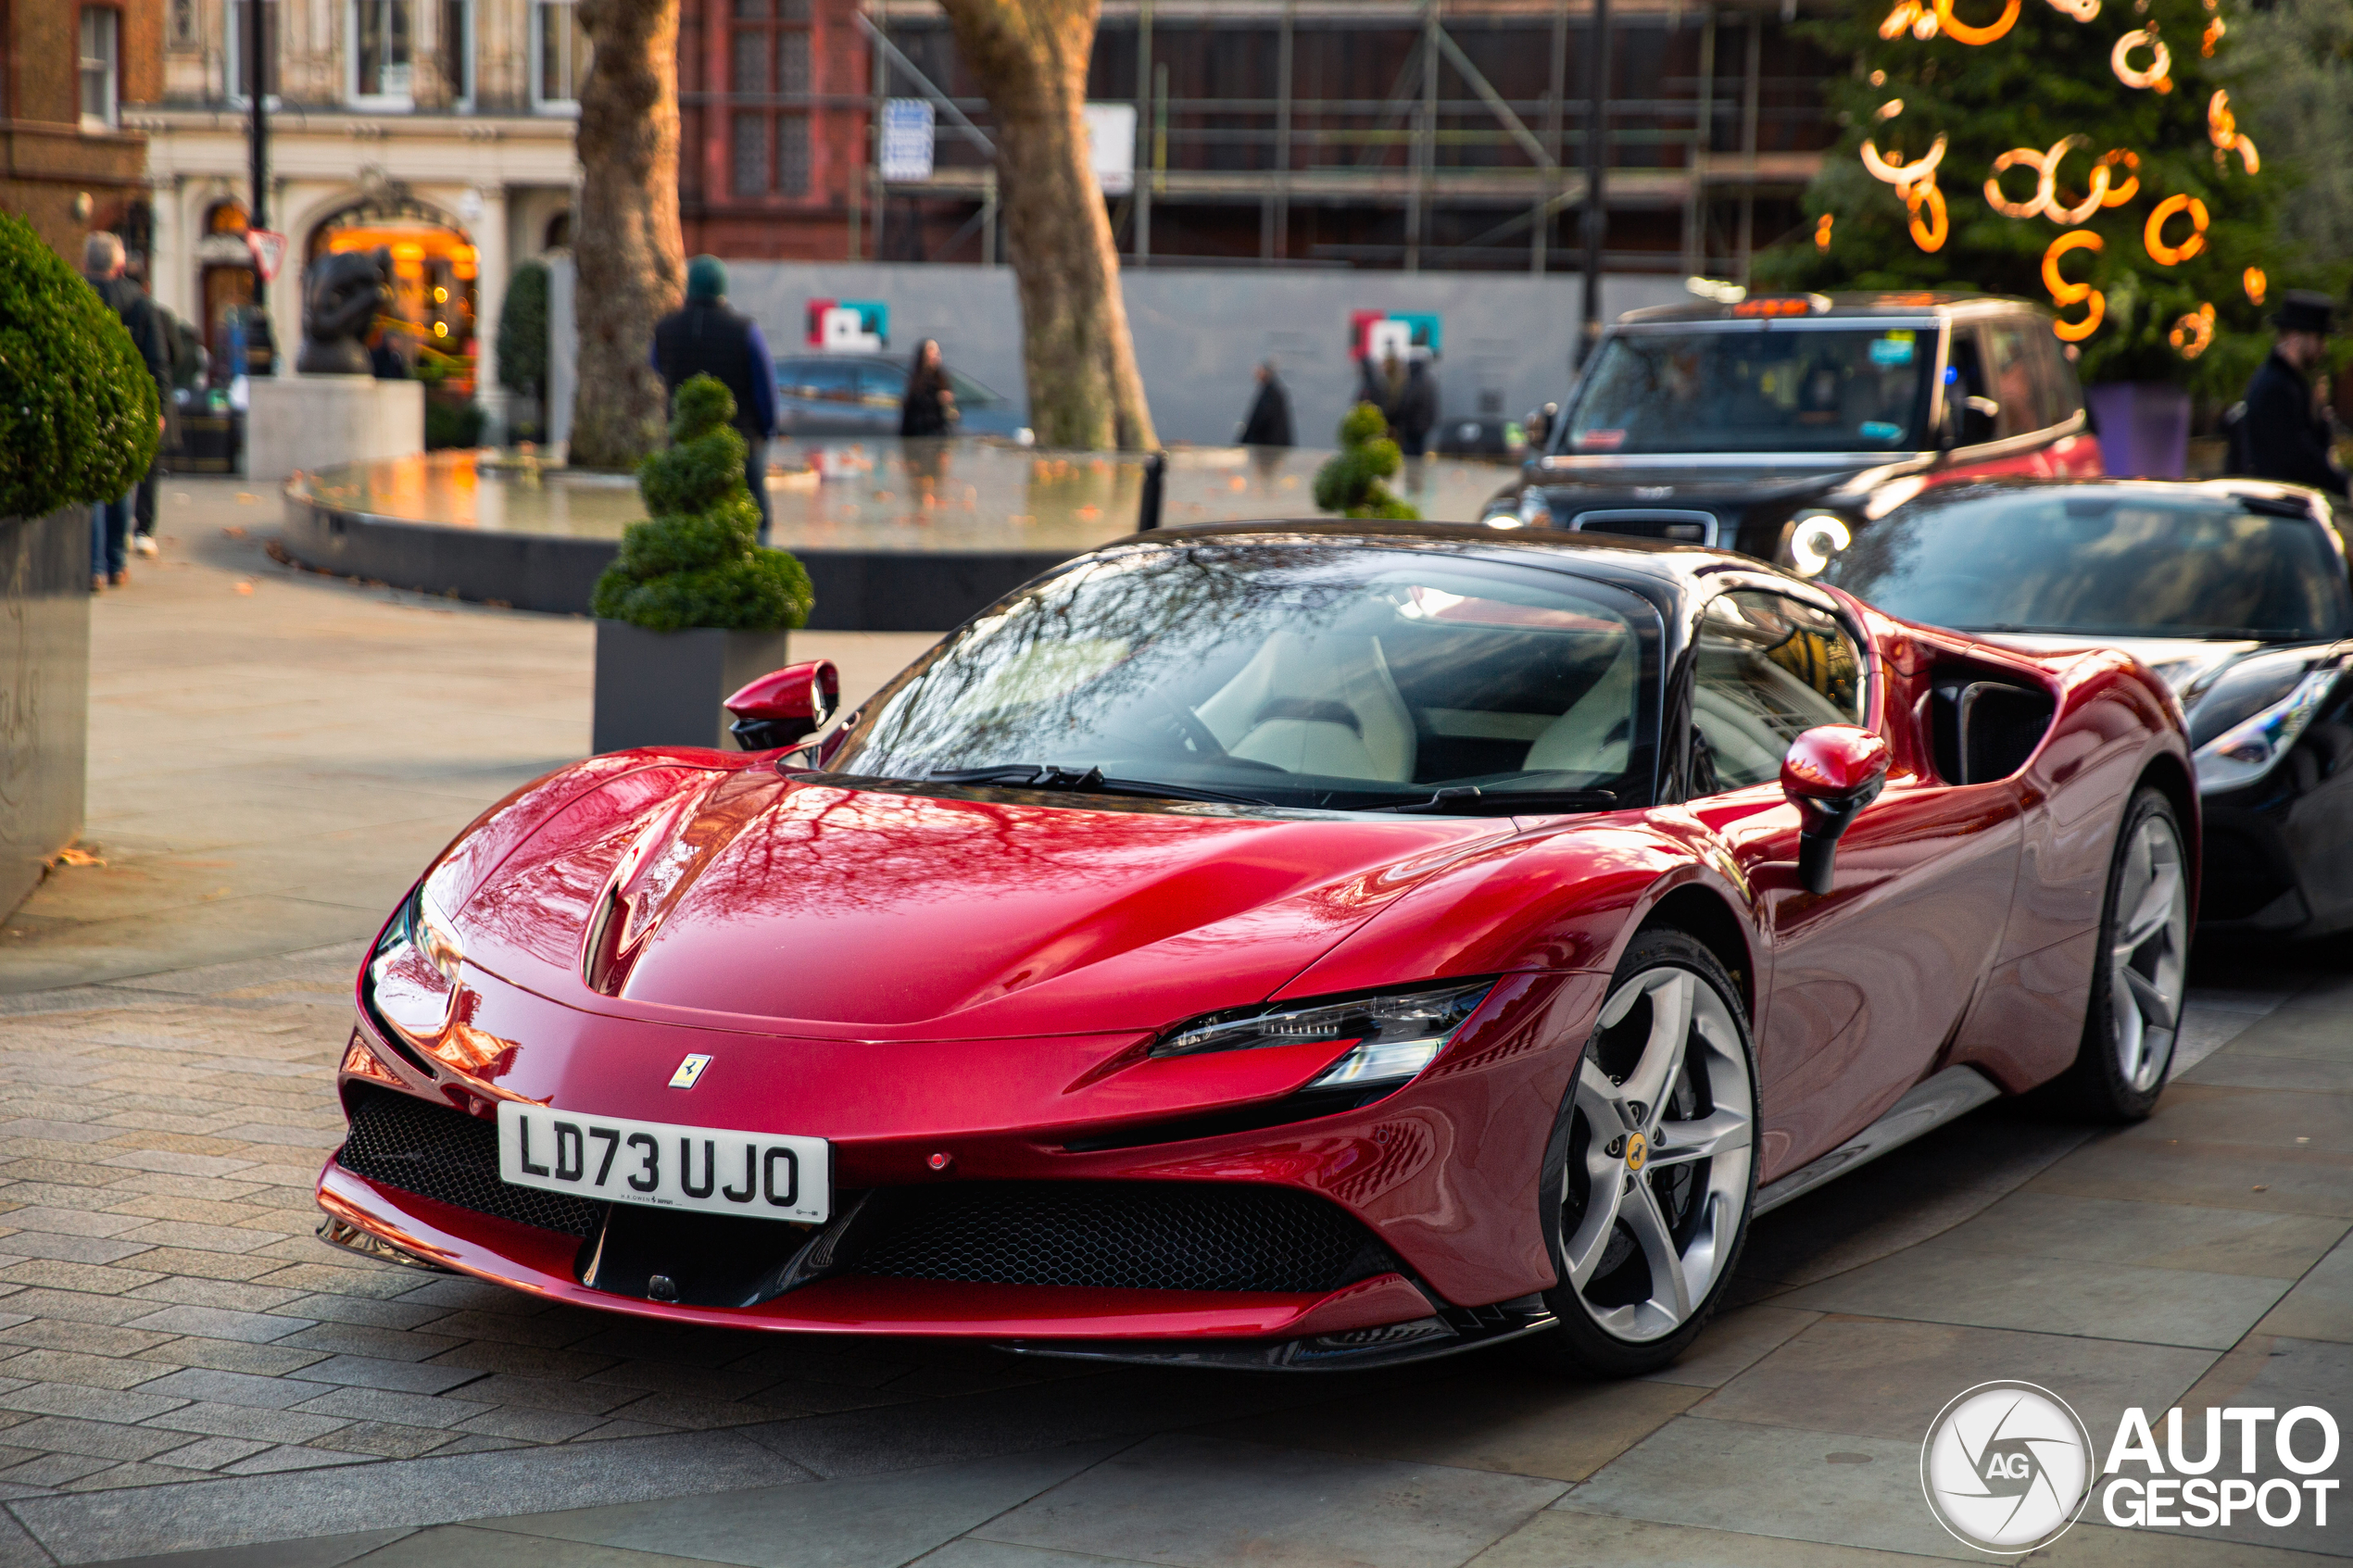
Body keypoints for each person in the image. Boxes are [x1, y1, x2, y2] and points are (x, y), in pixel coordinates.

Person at [651, 256, 779, 537]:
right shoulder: (745, 330)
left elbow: (658, 366)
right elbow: (765, 387)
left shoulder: (665, 330)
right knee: (755, 518)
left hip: (685, 442)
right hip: (742, 442)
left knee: (688, 519)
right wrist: (766, 429)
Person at [82, 232, 168, 590]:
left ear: (86, 264)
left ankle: (95, 567)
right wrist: (158, 410)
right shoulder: (141, 305)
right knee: (118, 482)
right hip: (127, 405)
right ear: (120, 266)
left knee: (92, 490)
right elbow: (157, 363)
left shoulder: (76, 297)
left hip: (87, 403)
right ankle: (116, 562)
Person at [2234, 291, 2347, 499]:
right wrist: (2343, 485)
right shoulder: (2276, 387)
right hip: (2276, 505)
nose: (2323, 348)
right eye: (2319, 338)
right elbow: (2297, 455)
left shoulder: (2291, 383)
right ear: (2296, 338)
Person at [900, 339, 956, 438]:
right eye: (931, 351)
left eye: (937, 353)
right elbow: (916, 408)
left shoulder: (941, 378)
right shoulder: (917, 381)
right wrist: (937, 399)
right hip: (919, 435)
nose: (935, 356)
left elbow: (949, 413)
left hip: (938, 435)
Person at [1238, 360, 1293, 447]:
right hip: (1272, 445)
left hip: (1270, 446)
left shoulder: (1271, 394)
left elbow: (1261, 419)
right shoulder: (1271, 391)